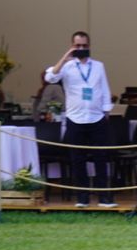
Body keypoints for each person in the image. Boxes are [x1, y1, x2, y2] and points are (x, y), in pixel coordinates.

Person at [44, 30, 116, 207]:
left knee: (101, 158)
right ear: (72, 46)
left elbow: (104, 89)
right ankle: (82, 198)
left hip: (96, 117)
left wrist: (106, 110)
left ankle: (104, 197)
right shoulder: (67, 67)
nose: (81, 48)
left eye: (84, 45)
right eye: (77, 46)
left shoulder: (98, 65)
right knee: (78, 159)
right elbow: (50, 77)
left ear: (89, 46)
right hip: (75, 118)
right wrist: (65, 57)